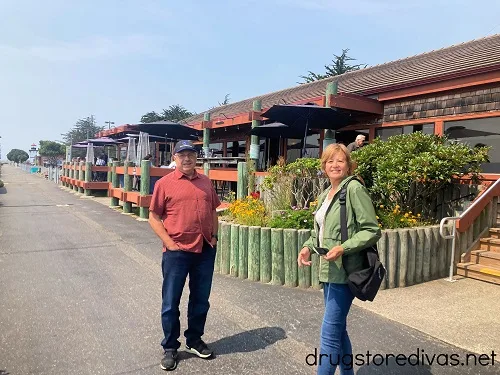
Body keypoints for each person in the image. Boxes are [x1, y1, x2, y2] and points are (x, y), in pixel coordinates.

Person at [297, 143, 380, 375]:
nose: (335, 165)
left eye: (340, 161)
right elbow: (320, 232)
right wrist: (307, 248)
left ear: (348, 165)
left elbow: (371, 230)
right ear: (324, 166)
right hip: (329, 272)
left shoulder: (353, 189)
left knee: (329, 336)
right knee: (339, 330)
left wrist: (343, 248)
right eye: (330, 161)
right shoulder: (326, 194)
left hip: (345, 272)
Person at [148, 140, 220, 371]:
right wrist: (169, 243)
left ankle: (194, 340)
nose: (187, 158)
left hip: (204, 248)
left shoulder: (206, 182)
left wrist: (215, 236)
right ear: (175, 158)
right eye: (182, 155)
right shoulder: (164, 184)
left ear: (196, 157)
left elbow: (212, 211)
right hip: (176, 251)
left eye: (191, 154)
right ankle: (170, 347)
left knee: (201, 299)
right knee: (171, 301)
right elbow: (153, 217)